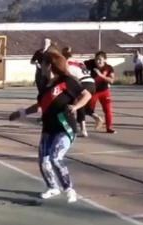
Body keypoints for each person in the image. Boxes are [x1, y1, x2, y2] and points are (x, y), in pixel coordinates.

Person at [9, 47, 91, 203]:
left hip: (65, 127)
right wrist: (20, 113)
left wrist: (76, 107)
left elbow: (86, 95)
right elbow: (39, 106)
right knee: (43, 160)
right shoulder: (45, 86)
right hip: (48, 128)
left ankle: (69, 189)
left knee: (55, 157)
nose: (40, 66)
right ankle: (53, 187)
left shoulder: (67, 81)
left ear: (50, 66)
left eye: (43, 63)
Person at [62, 47, 95, 137]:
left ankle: (81, 129)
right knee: (81, 105)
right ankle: (85, 126)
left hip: (83, 82)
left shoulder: (66, 64)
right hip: (92, 83)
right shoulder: (79, 61)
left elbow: (68, 76)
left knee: (74, 105)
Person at [85, 51, 116, 134]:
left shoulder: (109, 68)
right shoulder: (90, 64)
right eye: (96, 59)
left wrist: (101, 76)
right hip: (93, 91)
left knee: (108, 110)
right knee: (88, 109)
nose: (97, 61)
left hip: (104, 91)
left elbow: (112, 80)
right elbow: (79, 64)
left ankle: (109, 127)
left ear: (105, 60)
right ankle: (97, 119)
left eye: (100, 60)